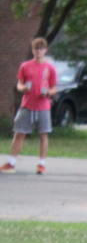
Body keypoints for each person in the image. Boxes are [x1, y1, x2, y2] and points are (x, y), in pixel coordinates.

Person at [2, 37, 57, 175]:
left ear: (45, 50)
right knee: (19, 133)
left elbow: (53, 88)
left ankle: (41, 165)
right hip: (27, 104)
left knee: (43, 134)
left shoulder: (49, 68)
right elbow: (19, 84)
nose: (38, 51)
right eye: (36, 48)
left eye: (41, 49)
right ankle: (11, 162)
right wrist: (23, 88)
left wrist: (48, 93)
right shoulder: (25, 66)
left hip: (43, 106)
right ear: (33, 50)